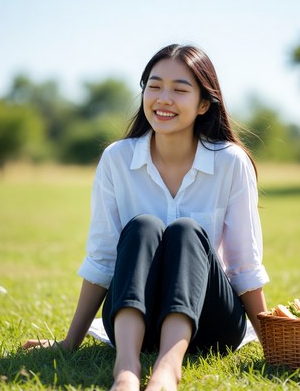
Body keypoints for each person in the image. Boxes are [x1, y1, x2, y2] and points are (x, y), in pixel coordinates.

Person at [23, 43, 269, 391]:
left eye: (179, 89)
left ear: (203, 104)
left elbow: (244, 266)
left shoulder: (231, 162)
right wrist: (69, 343)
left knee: (185, 231)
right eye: (154, 86)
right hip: (134, 319)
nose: (163, 98)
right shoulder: (116, 159)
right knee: (143, 226)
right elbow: (103, 257)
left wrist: (274, 347)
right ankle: (126, 368)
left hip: (210, 325)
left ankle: (168, 370)